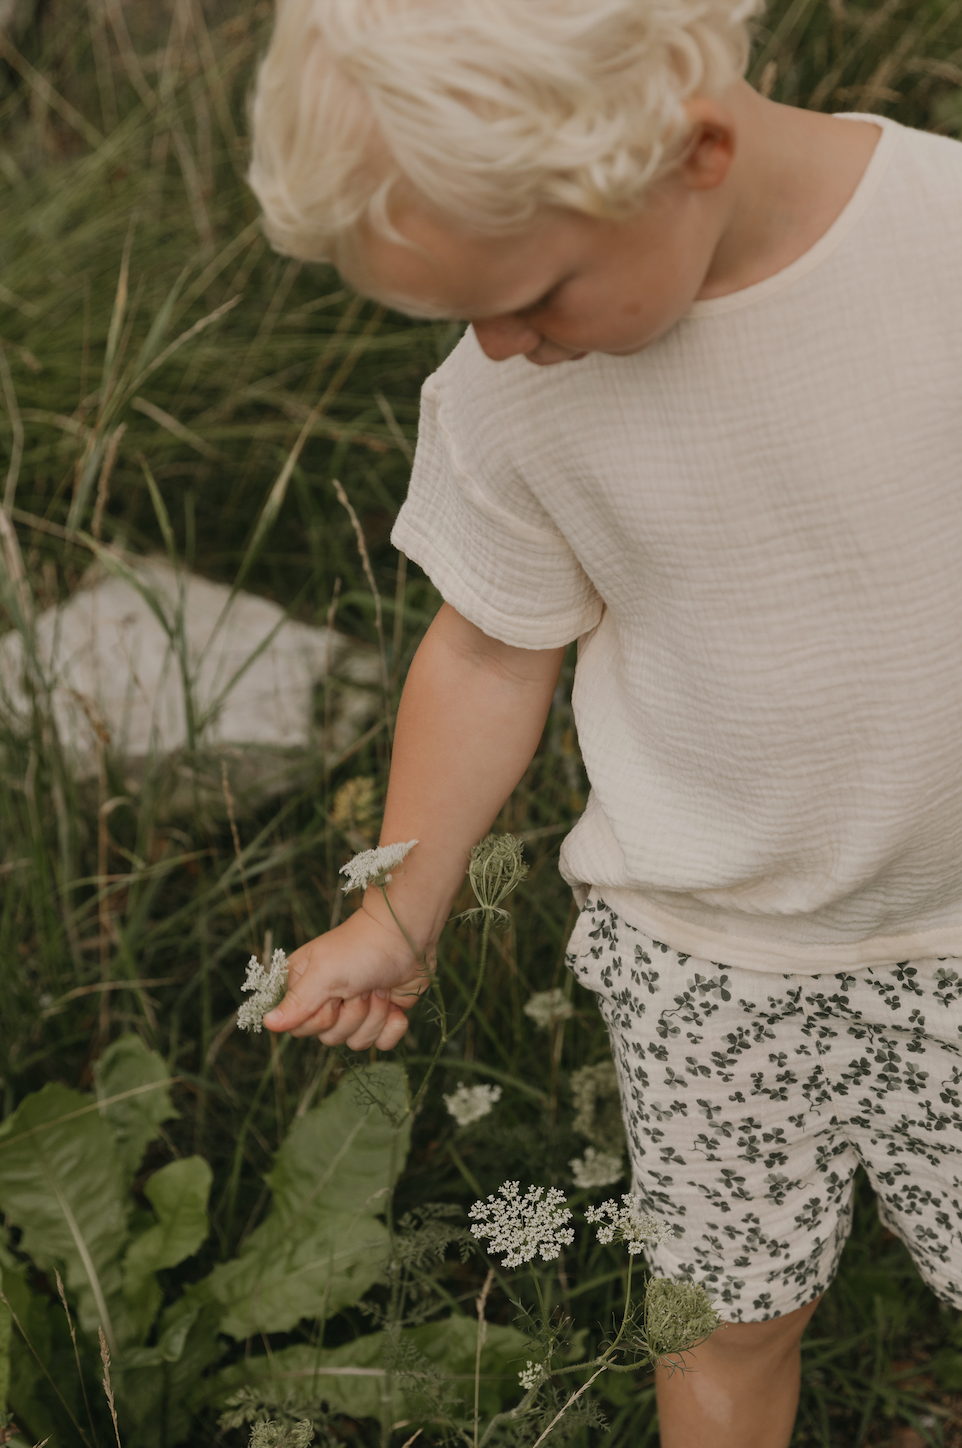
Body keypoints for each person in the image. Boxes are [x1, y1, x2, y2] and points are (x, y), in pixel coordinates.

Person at [246, 2, 962, 1444]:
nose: (499, 346)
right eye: (458, 313)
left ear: (690, 150)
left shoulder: (941, 247)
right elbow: (488, 653)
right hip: (710, 959)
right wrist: (399, 902)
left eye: (535, 295)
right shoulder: (508, 399)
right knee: (718, 1317)